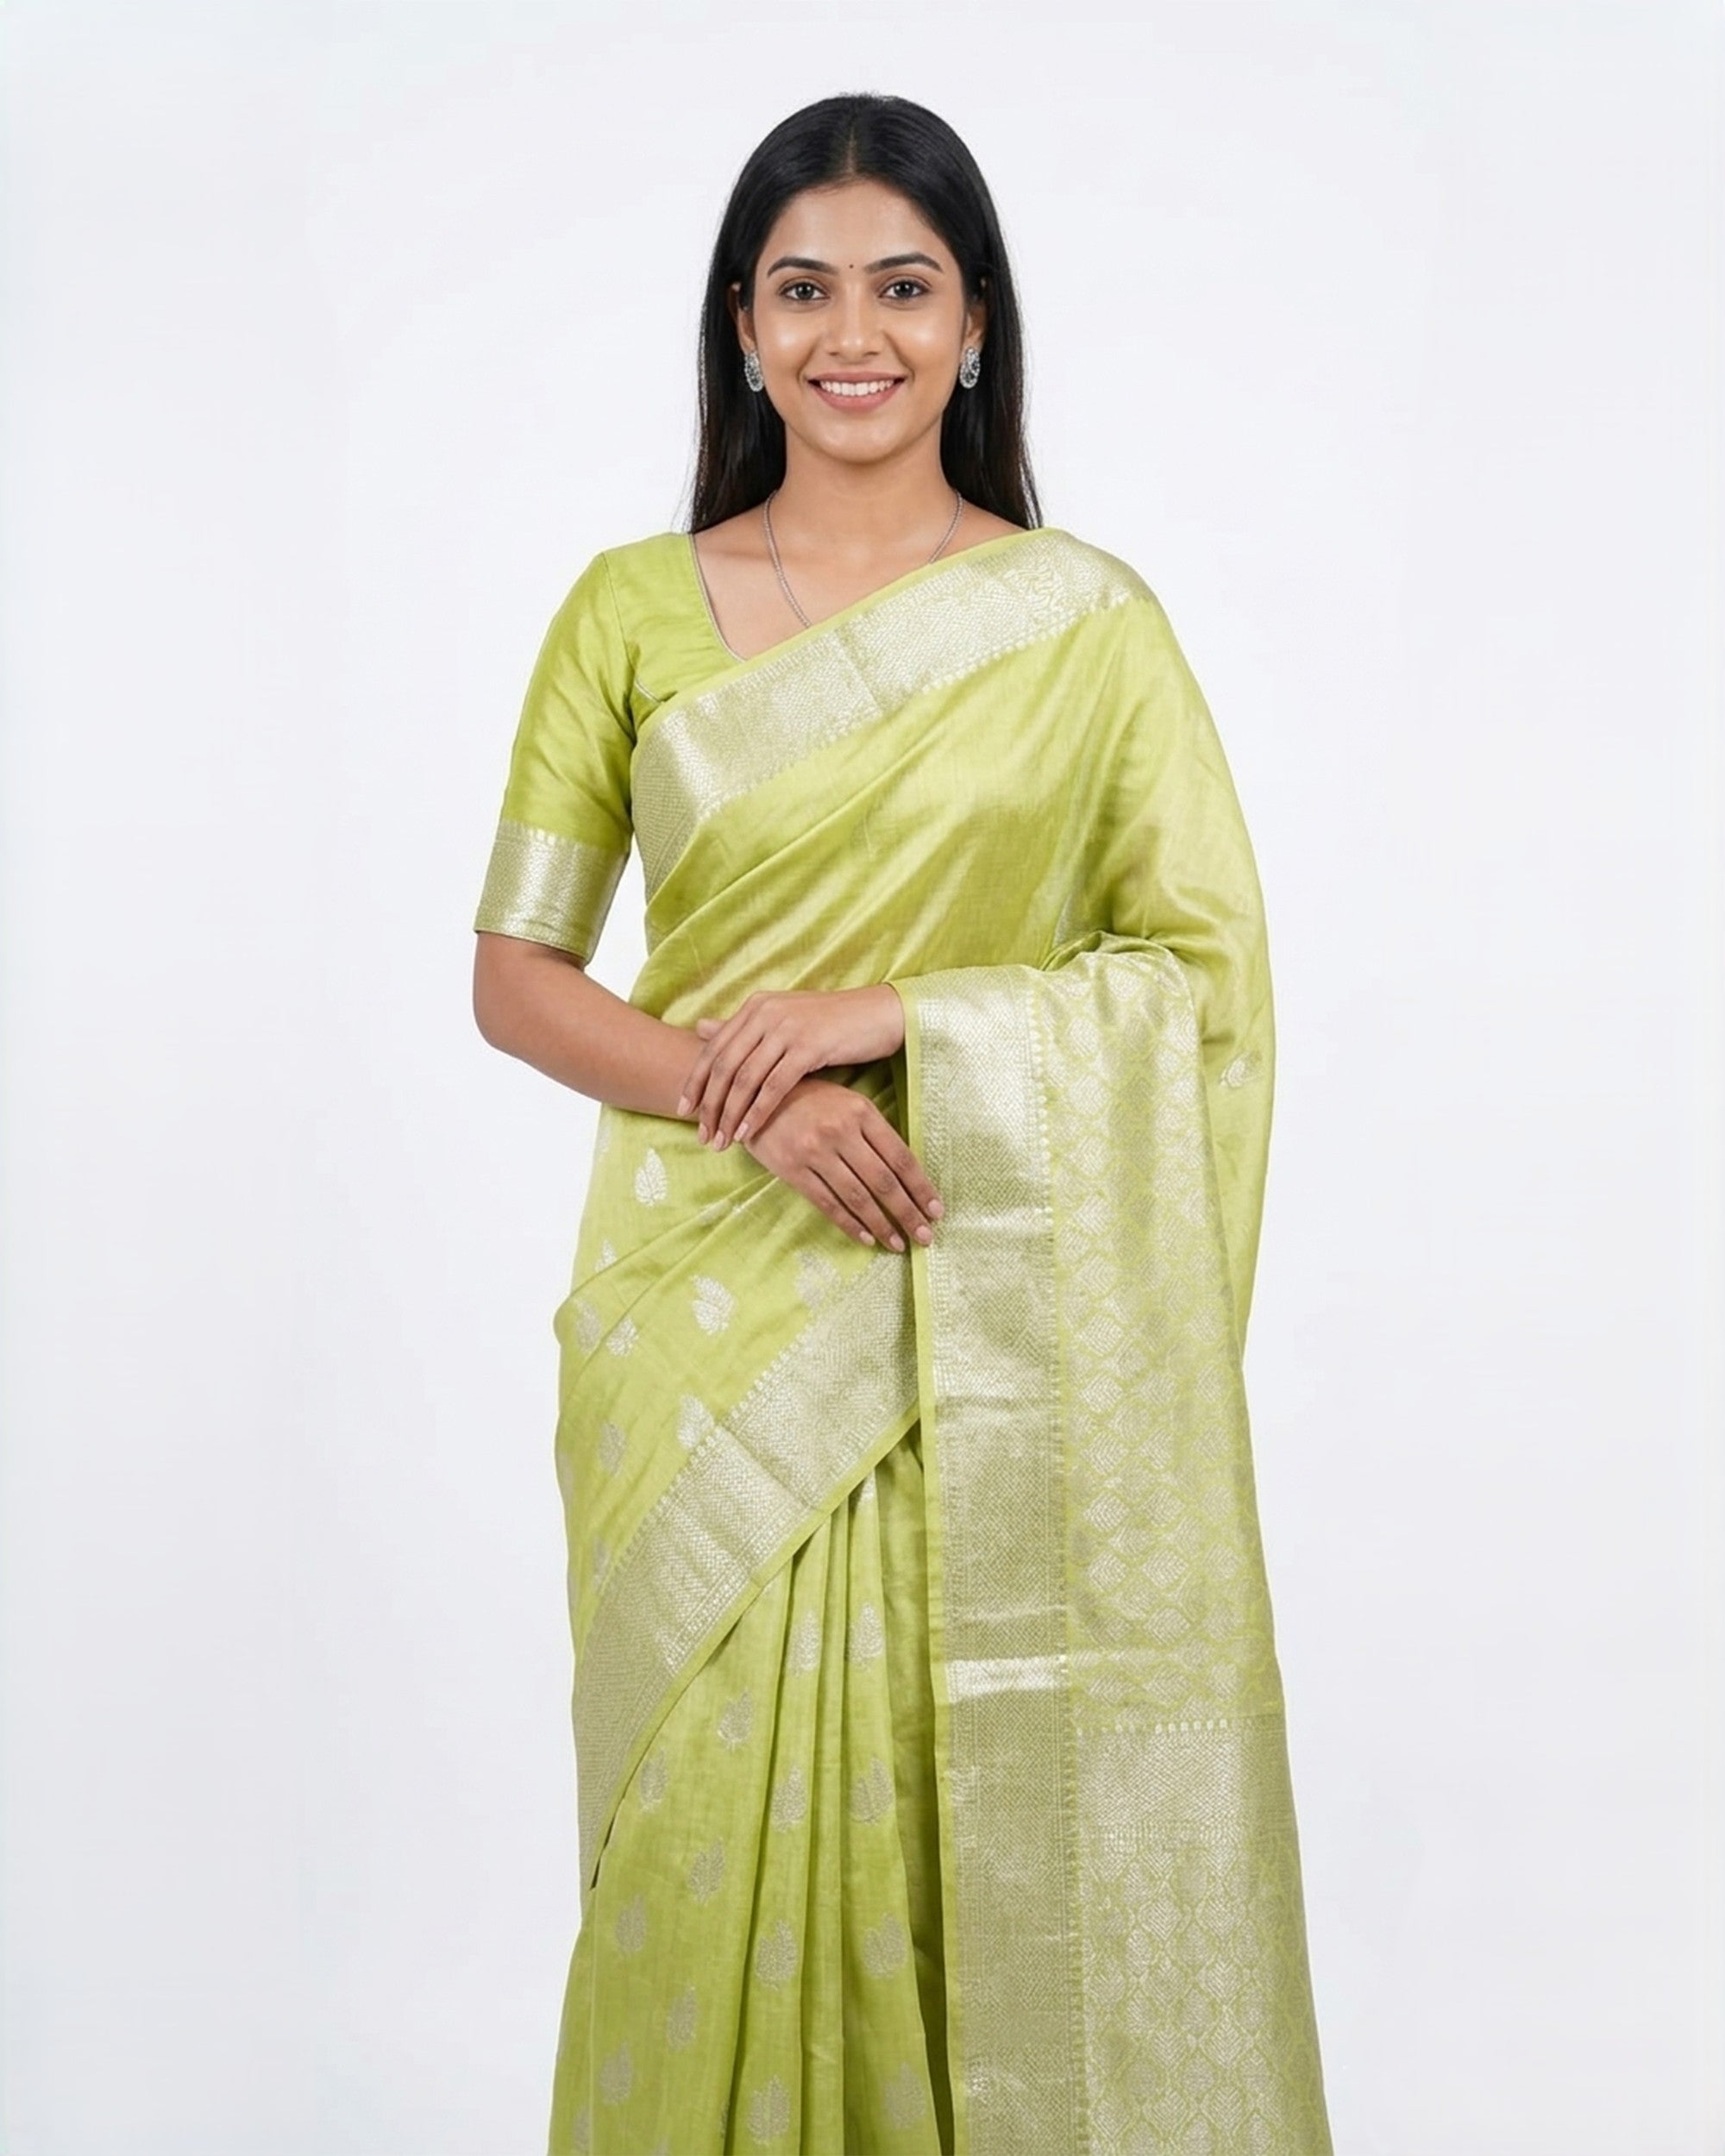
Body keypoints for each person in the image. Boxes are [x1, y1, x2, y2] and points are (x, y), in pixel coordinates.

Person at [471, 90, 1334, 2156]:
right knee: (704, 1838)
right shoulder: (624, 609)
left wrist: (898, 1019)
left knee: (970, 1836)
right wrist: (748, 1098)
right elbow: (516, 975)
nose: (849, 333)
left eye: (901, 286)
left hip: (978, 1317)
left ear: (972, 327)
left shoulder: (1084, 624)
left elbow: (1202, 985)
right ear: (742, 328)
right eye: (801, 290)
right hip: (702, 1325)